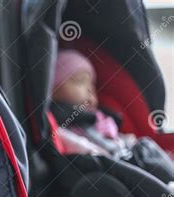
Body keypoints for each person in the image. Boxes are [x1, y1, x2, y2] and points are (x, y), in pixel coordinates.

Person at [51, 49, 174, 187]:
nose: (90, 90)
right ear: (53, 89)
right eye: (80, 82)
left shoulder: (99, 116)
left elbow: (115, 137)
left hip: (121, 154)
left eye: (92, 85)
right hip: (106, 166)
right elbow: (72, 143)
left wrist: (127, 141)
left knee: (146, 146)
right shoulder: (59, 121)